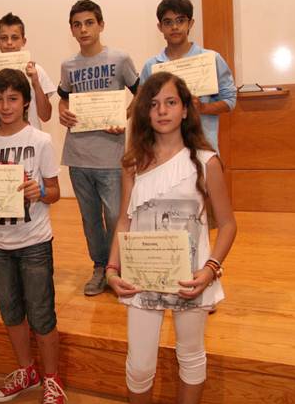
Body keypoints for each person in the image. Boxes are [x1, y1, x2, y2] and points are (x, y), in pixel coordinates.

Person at [106, 72, 237, 403]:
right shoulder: (133, 163)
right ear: (144, 112)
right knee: (139, 366)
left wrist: (210, 269)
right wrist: (111, 269)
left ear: (185, 109)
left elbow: (228, 224)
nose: (162, 111)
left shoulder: (206, 162)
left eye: (170, 102)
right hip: (141, 278)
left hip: (191, 280)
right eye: (153, 104)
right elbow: (124, 220)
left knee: (190, 356)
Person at [0, 69, 66, 404]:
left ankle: (52, 379)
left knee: (41, 314)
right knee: (10, 311)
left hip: (34, 242)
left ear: (26, 101)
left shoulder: (40, 141)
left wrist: (39, 191)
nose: (5, 106)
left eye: (12, 98)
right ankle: (27, 371)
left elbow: (55, 192)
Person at [57, 0, 139, 296]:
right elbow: (63, 98)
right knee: (90, 220)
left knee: (116, 216)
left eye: (89, 23)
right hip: (78, 156)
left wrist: (123, 116)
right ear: (71, 30)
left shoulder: (120, 58)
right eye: (77, 24)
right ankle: (99, 267)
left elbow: (141, 93)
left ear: (101, 25)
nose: (83, 29)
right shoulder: (68, 65)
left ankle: (118, 269)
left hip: (111, 156)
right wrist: (62, 112)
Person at [139, 0, 237, 152]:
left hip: (202, 145)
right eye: (168, 22)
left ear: (190, 23)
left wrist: (203, 108)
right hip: (163, 150)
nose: (174, 27)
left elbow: (230, 100)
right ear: (160, 27)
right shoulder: (151, 66)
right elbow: (142, 107)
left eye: (180, 20)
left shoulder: (211, 59)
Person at [0, 12, 56, 129]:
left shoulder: (36, 71)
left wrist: (35, 83)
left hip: (29, 138)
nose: (9, 43)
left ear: (23, 41)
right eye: (4, 38)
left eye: (15, 38)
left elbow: (46, 116)